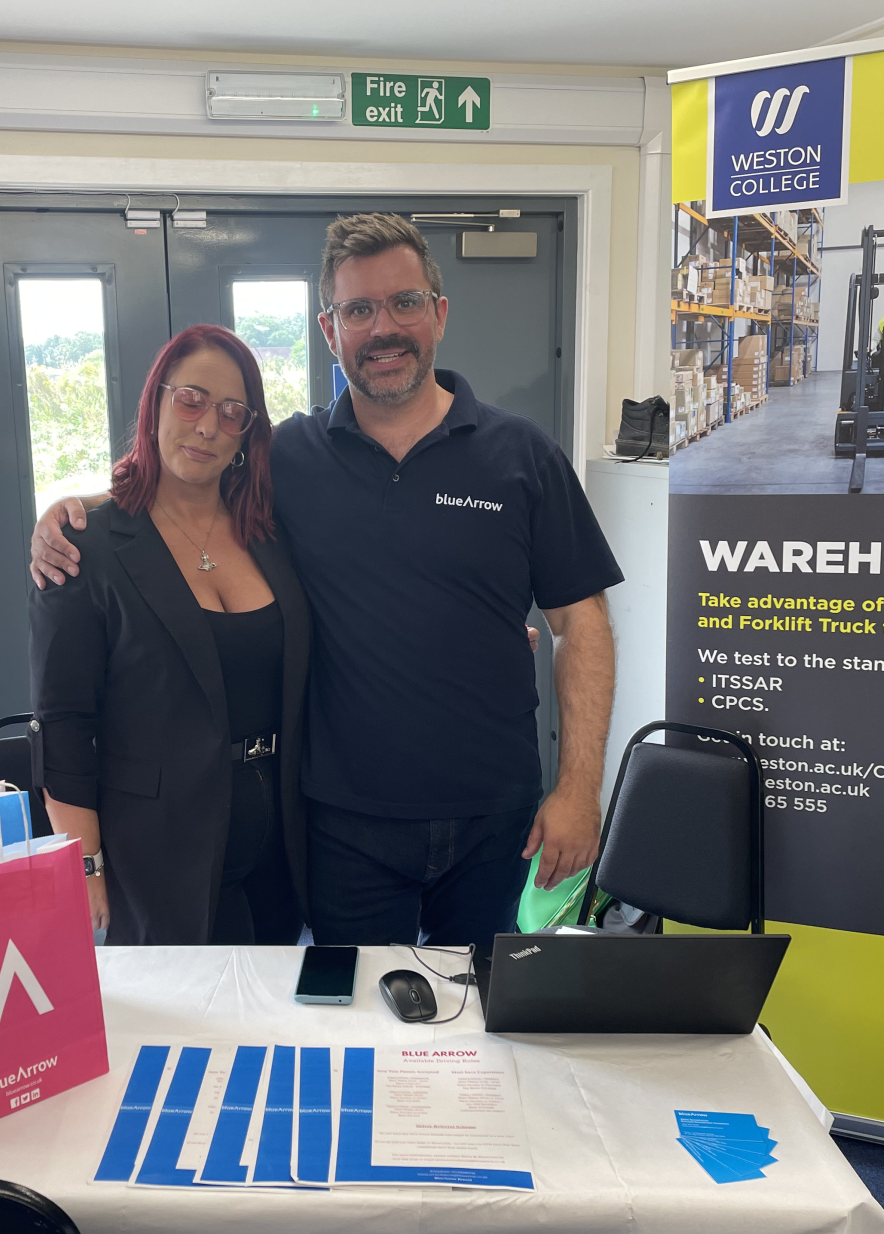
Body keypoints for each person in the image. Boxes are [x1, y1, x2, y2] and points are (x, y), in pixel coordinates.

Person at [33, 214, 622, 949]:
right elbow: (185, 482)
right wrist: (74, 508)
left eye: (404, 302)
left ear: (438, 313)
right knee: (355, 1033)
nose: (384, 327)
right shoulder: (290, 460)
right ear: (329, 329)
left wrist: (579, 789)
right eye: (359, 310)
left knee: (484, 1029)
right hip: (344, 828)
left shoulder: (522, 456)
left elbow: (583, 623)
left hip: (496, 820)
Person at [28, 323, 310, 946]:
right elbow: (65, 721)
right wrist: (85, 862)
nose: (208, 426)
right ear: (155, 401)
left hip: (279, 850)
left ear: (247, 433)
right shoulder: (84, 547)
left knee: (273, 1028)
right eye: (191, 400)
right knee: (186, 1036)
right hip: (154, 857)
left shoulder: (270, 533)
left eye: (232, 412)